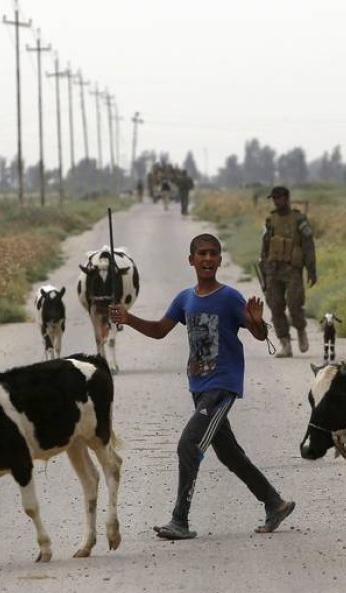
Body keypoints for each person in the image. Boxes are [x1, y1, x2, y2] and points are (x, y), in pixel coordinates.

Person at [109, 232, 296, 540]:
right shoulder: (185, 298)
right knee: (230, 455)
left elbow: (260, 335)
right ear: (191, 260)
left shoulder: (230, 297)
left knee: (188, 444)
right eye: (202, 254)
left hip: (222, 387)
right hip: (199, 387)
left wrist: (257, 321)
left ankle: (179, 520)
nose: (208, 258)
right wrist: (128, 319)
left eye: (213, 254)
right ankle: (275, 503)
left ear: (219, 260)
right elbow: (158, 331)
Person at [259, 186, 317, 358]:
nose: (276, 201)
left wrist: (312, 270)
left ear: (287, 198)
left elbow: (308, 245)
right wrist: (264, 268)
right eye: (274, 198)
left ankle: (300, 329)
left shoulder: (299, 219)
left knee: (294, 303)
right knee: (275, 305)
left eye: (279, 198)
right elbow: (265, 246)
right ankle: (285, 343)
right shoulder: (271, 220)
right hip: (273, 269)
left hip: (293, 270)